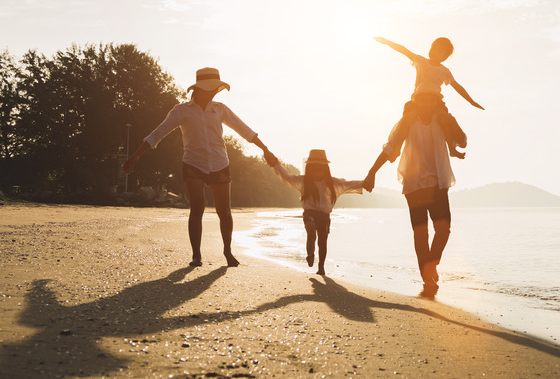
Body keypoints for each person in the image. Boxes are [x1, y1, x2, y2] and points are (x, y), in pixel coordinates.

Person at [123, 67, 272, 268]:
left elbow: (244, 129)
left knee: (224, 211)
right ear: (198, 89)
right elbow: (157, 134)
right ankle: (196, 255)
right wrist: (134, 157)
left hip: (220, 164)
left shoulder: (220, 109)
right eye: (210, 89)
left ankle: (227, 251)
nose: (213, 93)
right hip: (193, 164)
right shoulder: (181, 111)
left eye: (215, 90)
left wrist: (265, 149)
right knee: (197, 209)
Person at [363, 92, 461, 296]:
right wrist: (372, 172)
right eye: (422, 99)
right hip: (414, 184)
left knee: (443, 230)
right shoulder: (407, 123)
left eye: (430, 99)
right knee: (421, 233)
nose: (426, 103)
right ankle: (427, 278)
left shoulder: (441, 120)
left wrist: (449, 118)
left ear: (436, 102)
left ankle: (431, 266)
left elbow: (462, 141)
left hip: (437, 184)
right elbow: (390, 149)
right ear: (416, 101)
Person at [374, 36, 483, 158]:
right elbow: (404, 50)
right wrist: (387, 42)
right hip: (417, 100)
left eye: (438, 50)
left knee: (444, 118)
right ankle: (397, 149)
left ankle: (451, 149)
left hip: (435, 102)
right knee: (407, 118)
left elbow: (457, 86)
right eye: (433, 47)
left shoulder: (444, 71)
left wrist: (471, 101)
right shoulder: (421, 61)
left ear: (444, 57)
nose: (434, 50)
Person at [263, 148, 366, 276]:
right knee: (311, 232)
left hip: (324, 216)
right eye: (314, 169)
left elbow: (348, 184)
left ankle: (321, 267)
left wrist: (366, 182)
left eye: (320, 169)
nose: (317, 172)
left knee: (322, 242)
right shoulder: (304, 181)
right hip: (309, 214)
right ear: (310, 169)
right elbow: (287, 177)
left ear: (325, 169)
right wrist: (276, 164)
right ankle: (310, 254)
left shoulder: (333, 183)